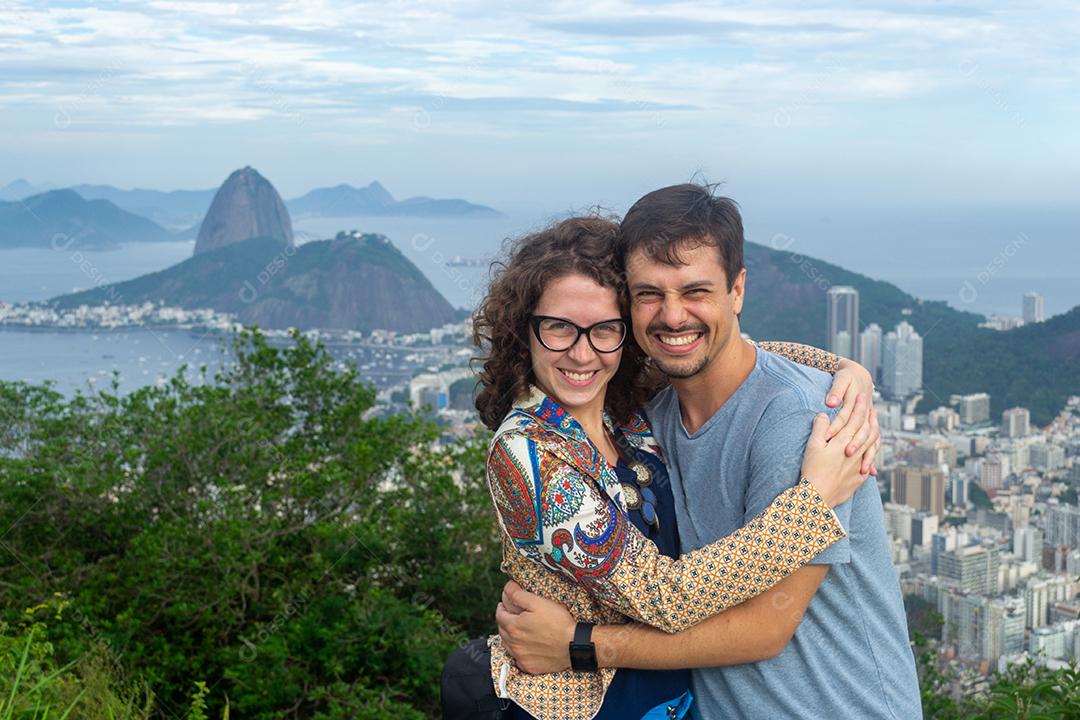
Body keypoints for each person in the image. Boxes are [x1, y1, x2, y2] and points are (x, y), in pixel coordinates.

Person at [495, 186, 922, 719]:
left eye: (696, 290)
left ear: (737, 291)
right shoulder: (615, 424)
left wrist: (844, 373)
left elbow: (765, 629)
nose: (673, 317)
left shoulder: (800, 421)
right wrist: (810, 505)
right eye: (649, 294)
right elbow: (660, 594)